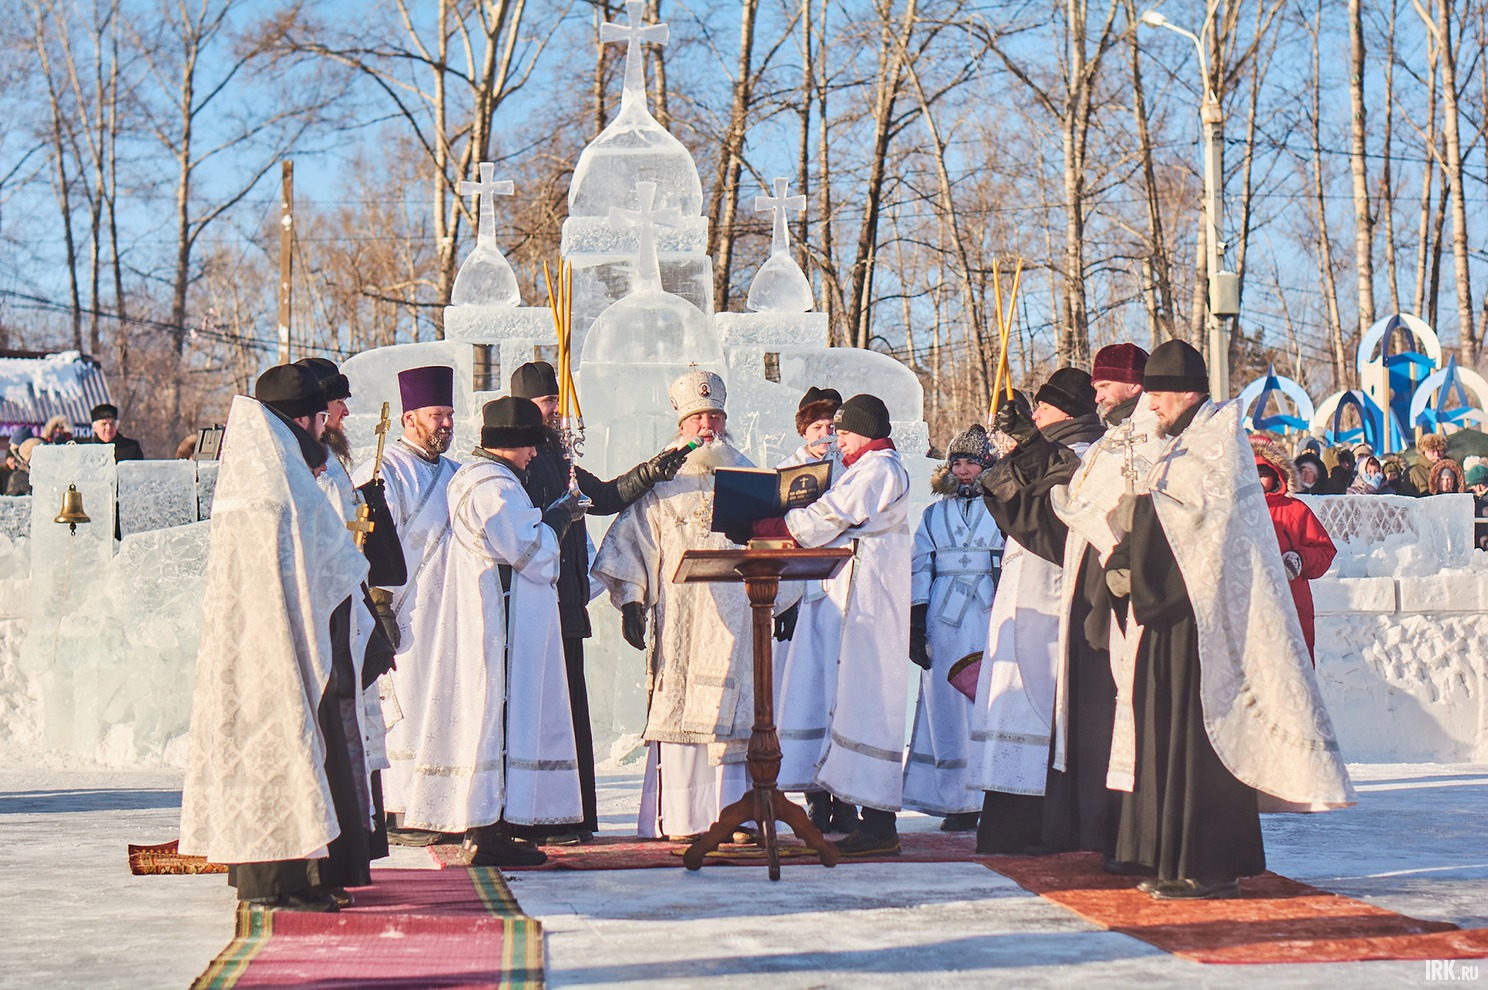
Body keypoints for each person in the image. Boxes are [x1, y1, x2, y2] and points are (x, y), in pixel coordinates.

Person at [1104, 340, 1354, 900]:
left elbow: (1193, 528)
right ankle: (1175, 857)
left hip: (1205, 621)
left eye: (1159, 397)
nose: (1153, 408)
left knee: (1202, 741)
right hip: (1173, 615)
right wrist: (1128, 544)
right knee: (1173, 739)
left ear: (1185, 392)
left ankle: (1207, 864)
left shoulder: (1217, 444)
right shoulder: (1188, 442)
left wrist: (1137, 524)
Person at [179, 366, 373, 912]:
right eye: (319, 419)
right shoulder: (269, 484)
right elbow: (313, 553)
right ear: (302, 419)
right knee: (273, 751)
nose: (323, 430)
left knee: (298, 752)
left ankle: (303, 874)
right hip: (269, 646)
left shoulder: (267, 471)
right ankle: (274, 882)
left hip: (281, 637)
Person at [505, 360, 693, 844]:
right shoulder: (516, 463)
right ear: (528, 407)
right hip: (532, 604)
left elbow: (606, 496)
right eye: (549, 404)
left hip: (565, 603)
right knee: (542, 713)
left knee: (570, 712)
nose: (556, 413)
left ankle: (572, 814)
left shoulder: (557, 459)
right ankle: (537, 815)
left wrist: (654, 470)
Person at [971, 355, 1141, 859]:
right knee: (1021, 703)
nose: (1037, 416)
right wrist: (1020, 454)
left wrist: (1026, 452)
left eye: (1042, 408)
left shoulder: (1087, 452)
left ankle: (1040, 823)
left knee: (1043, 704)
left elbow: (1050, 516)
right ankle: (1010, 821)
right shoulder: (1063, 448)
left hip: (1055, 597)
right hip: (1024, 593)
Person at [404, 395, 585, 867]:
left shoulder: (478, 477)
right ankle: (487, 831)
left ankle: (497, 823)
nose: (534, 456)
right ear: (515, 444)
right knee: (498, 717)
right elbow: (527, 550)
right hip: (499, 623)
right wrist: (561, 517)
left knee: (494, 718)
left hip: (493, 616)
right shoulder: (493, 486)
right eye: (531, 447)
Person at [591, 370, 754, 842]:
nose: (708, 426)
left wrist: (783, 603)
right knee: (682, 708)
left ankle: (737, 817)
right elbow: (632, 540)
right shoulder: (660, 478)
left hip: (739, 615)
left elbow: (773, 539)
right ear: (682, 424)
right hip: (680, 614)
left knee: (732, 710)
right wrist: (632, 602)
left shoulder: (747, 472)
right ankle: (684, 817)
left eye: (715, 416)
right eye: (698, 418)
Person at [746, 393, 912, 857]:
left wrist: (775, 528)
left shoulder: (880, 467)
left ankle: (880, 823)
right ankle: (861, 814)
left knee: (868, 701)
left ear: (863, 431)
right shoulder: (862, 467)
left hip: (871, 598)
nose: (837, 440)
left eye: (843, 431)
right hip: (852, 594)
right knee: (848, 698)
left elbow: (832, 515)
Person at [350, 366, 460, 846]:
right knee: (406, 709)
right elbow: (368, 543)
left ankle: (436, 804)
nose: (446, 425)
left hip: (449, 612)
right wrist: (380, 608)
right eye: (437, 415)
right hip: (403, 612)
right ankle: (398, 807)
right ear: (410, 417)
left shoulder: (458, 473)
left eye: (451, 415)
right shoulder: (385, 471)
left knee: (441, 706)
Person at [903, 423, 1003, 832]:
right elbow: (919, 563)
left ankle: (990, 793)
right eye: (957, 462)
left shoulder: (1001, 507)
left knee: (985, 697)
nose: (963, 470)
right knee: (945, 698)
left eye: (972, 463)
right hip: (943, 616)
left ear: (987, 466)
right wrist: (915, 616)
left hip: (986, 610)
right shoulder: (934, 513)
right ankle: (955, 799)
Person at [772, 385, 853, 833]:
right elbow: (777, 533)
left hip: (843, 589)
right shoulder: (788, 471)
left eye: (832, 426)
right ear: (804, 430)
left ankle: (844, 792)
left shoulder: (851, 468)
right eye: (818, 426)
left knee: (841, 696)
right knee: (804, 695)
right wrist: (783, 596)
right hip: (801, 595)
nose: (826, 433)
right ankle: (813, 792)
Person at [1251, 435, 1337, 663]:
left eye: (1262, 474)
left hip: (1292, 608)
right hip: (1248, 609)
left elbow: (1325, 551)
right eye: (1250, 473)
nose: (1256, 480)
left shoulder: (1295, 510)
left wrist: (1300, 559)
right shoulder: (1232, 511)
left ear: (1276, 474)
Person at [1466, 464, 1488, 551]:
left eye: (1482, 484)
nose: (1479, 489)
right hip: (1471, 542)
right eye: (1475, 485)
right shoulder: (1467, 498)